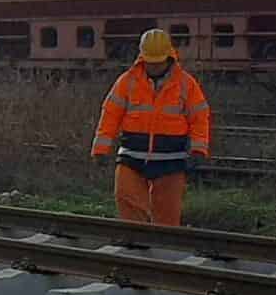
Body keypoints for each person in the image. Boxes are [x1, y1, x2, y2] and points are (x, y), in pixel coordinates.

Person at [90, 27, 211, 227]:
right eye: (150, 62)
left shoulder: (185, 84)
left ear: (169, 56)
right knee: (128, 206)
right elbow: (110, 115)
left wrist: (199, 149)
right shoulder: (127, 82)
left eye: (158, 62)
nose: (153, 66)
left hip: (171, 161)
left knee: (167, 221)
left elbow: (200, 117)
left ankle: (163, 252)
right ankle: (135, 250)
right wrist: (100, 150)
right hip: (131, 158)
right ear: (141, 57)